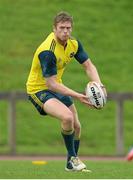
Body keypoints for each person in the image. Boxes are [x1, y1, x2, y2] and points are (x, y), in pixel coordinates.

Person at [26, 11, 106, 172]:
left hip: (57, 85)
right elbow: (51, 84)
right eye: (61, 28)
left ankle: (71, 163)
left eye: (68, 28)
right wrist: (78, 96)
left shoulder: (73, 44)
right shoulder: (48, 51)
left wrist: (99, 85)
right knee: (67, 117)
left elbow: (89, 66)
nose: (65, 31)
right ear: (54, 29)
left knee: (77, 126)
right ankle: (73, 159)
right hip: (38, 90)